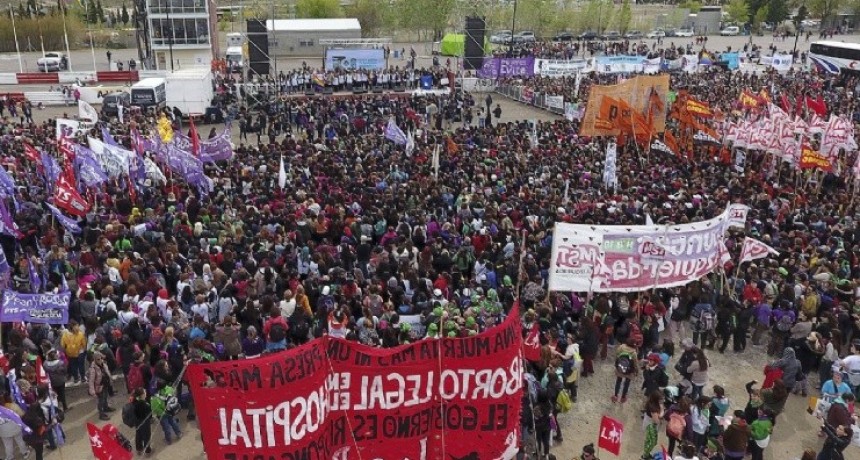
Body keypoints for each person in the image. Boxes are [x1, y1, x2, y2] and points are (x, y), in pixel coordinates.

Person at [87, 352, 115, 420]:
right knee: (100, 401)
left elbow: (107, 372)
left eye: (101, 358)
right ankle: (101, 414)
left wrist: (110, 379)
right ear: (95, 360)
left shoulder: (103, 365)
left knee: (105, 397)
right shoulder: (93, 369)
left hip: (105, 384)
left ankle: (106, 407)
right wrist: (92, 392)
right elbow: (91, 381)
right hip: (99, 387)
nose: (101, 360)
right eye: (98, 359)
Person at [611, 339, 638, 403]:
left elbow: (616, 355)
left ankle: (615, 395)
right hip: (629, 370)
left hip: (620, 367)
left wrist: (616, 364)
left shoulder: (621, 347)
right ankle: (623, 397)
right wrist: (636, 371)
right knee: (627, 383)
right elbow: (635, 363)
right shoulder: (634, 353)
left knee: (618, 381)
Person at [641, 390, 663, 460]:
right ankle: (645, 455)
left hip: (648, 422)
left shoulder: (650, 403)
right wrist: (662, 412)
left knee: (648, 440)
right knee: (652, 442)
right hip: (651, 426)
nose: (662, 400)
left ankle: (646, 453)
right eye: (661, 399)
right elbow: (656, 421)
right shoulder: (653, 408)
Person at [131, 387, 153, 455]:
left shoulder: (134, 401)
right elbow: (149, 413)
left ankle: (139, 449)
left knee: (138, 434)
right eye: (145, 392)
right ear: (142, 395)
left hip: (137, 421)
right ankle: (148, 450)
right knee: (147, 435)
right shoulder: (144, 404)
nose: (146, 393)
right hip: (144, 421)